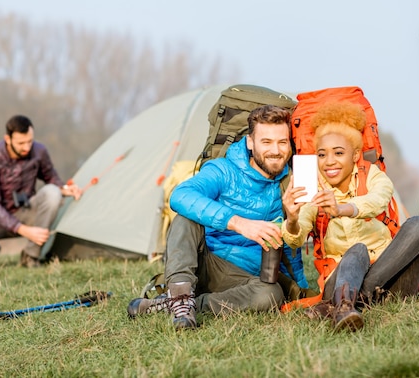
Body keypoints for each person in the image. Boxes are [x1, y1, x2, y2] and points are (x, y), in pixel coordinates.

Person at [127, 104, 309, 329]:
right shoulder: (222, 170)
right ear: (251, 143)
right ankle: (181, 295)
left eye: (282, 142)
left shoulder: (288, 182)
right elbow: (180, 196)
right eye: (266, 142)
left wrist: (300, 287)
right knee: (186, 218)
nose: (276, 150)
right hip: (205, 261)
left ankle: (181, 304)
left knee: (271, 294)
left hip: (243, 277)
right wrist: (238, 223)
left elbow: (292, 248)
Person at [282, 102, 419, 332]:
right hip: (340, 280)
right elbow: (296, 237)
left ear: (356, 155)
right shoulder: (314, 188)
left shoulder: (372, 174)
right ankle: (343, 305)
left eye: (338, 153)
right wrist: (292, 219)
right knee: (357, 250)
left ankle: (342, 306)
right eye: (322, 155)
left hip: (389, 280)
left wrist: (341, 209)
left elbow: (379, 199)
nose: (329, 161)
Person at [0, 115, 82, 270]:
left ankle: (31, 255)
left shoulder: (39, 151)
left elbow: (51, 177)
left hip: (25, 210)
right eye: (21, 143)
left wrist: (65, 188)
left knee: (53, 192)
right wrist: (23, 230)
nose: (27, 147)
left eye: (29, 141)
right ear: (8, 139)